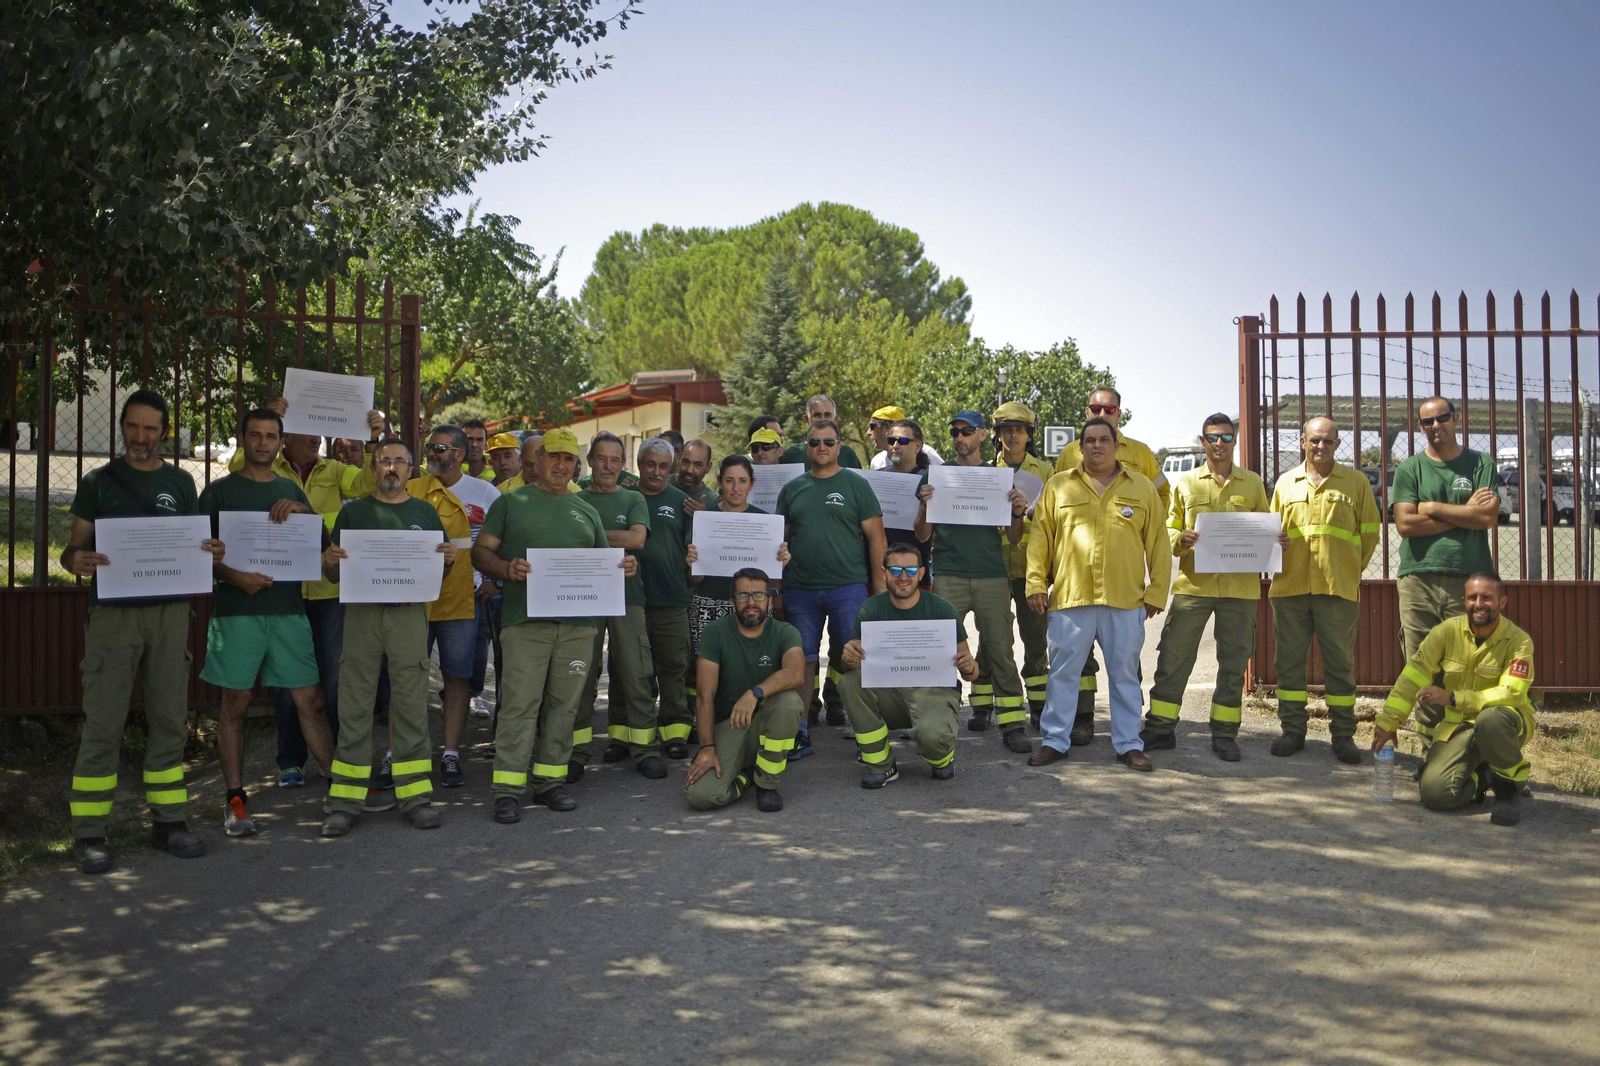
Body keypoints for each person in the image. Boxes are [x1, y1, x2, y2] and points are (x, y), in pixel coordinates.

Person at [62, 390, 226, 874]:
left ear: (164, 431)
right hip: (114, 615)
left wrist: (210, 552)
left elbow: (195, 544)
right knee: (104, 721)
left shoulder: (181, 482)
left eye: (150, 428)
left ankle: (169, 823)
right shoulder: (98, 482)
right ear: (123, 427)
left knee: (171, 718)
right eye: (133, 427)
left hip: (171, 613)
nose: (140, 437)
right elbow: (72, 552)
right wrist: (80, 563)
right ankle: (90, 834)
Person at [471, 428, 633, 822]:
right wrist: (506, 569)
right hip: (525, 622)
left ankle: (549, 782)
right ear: (538, 460)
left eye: (567, 459)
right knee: (519, 706)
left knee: (565, 707)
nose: (560, 466)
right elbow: (479, 553)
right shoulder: (511, 503)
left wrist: (625, 566)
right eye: (553, 457)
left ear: (576, 466)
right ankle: (508, 789)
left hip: (578, 626)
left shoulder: (586, 510)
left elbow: (602, 564)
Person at [199, 408, 335, 837]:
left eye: (270, 436)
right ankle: (236, 799)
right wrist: (234, 576)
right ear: (243, 438)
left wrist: (304, 512)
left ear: (280, 442)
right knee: (235, 706)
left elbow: (322, 546)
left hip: (289, 611)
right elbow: (197, 557)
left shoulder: (290, 488)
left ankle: (340, 789)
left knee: (310, 701)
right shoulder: (218, 493)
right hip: (238, 614)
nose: (262, 442)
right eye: (255, 435)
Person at [235, 397, 382, 788]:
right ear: (285, 439)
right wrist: (275, 418)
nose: (317, 439)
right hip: (282, 591)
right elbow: (237, 466)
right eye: (307, 431)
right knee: (288, 683)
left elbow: (367, 483)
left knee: (332, 681)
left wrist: (372, 441)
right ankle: (290, 762)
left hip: (327, 591)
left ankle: (335, 760)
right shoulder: (270, 467)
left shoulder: (334, 469)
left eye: (320, 432)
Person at [318, 438, 457, 836]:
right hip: (361, 616)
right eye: (384, 461)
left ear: (412, 469)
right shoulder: (354, 513)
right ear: (374, 468)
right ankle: (345, 801)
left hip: (409, 616)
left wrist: (446, 561)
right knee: (355, 704)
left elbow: (437, 575)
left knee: (412, 702)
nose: (392, 468)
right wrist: (329, 562)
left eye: (399, 461)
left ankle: (415, 798)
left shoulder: (425, 513)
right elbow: (334, 575)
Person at [1026, 418, 1169, 771]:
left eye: (1104, 440)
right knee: (1062, 673)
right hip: (1072, 597)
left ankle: (1128, 743)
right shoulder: (1058, 486)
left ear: (1117, 445)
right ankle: (1054, 740)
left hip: (1125, 599)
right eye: (1089, 440)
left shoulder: (1141, 488)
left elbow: (1159, 542)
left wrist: (1157, 591)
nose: (1097, 446)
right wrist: (1035, 583)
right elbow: (1041, 537)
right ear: (1080, 447)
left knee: (1124, 675)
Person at [1141, 413, 1285, 761]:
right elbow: (1168, 529)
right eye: (1212, 437)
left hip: (1240, 590)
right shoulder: (1186, 483)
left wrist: (1275, 540)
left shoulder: (1252, 483)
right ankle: (1160, 727)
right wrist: (1181, 538)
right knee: (1174, 658)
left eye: (1225, 437)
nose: (1219, 443)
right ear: (1202, 441)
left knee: (1234, 663)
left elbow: (1265, 527)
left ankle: (1224, 734)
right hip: (1194, 586)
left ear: (1234, 440)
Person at [913, 410, 1032, 754]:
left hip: (992, 575)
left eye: (966, 431)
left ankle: (1012, 724)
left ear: (982, 435)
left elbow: (1013, 536)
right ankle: (932, 720)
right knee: (940, 650)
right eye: (955, 432)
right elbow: (922, 535)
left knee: (1001, 650)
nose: (959, 438)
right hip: (948, 573)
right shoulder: (937, 477)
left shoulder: (997, 478)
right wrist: (923, 509)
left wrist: (1016, 513)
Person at [1372, 573, 1533, 825]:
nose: (1478, 603)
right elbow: (1413, 675)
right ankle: (1482, 776)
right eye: (1472, 597)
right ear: (1463, 601)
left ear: (1502, 602)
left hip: (1504, 723)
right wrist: (1388, 722)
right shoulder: (1447, 631)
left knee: (1490, 719)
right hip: (1460, 728)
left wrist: (1454, 698)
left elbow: (1510, 694)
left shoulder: (1518, 641)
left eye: (1487, 598)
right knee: (1436, 795)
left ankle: (1508, 790)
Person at [1269, 415, 1381, 763]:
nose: (1320, 446)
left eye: (1328, 441)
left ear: (1337, 444)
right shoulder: (1285, 483)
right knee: (1289, 664)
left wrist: (1347, 569)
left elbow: (1369, 533)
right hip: (1290, 588)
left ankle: (1343, 735)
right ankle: (1292, 731)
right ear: (1303, 441)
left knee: (1339, 664)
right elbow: (1271, 535)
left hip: (1337, 588)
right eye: (1314, 440)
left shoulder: (1356, 482)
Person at [775, 418, 888, 758]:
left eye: (827, 442)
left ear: (839, 447)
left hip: (848, 588)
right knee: (802, 662)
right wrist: (778, 590)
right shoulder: (792, 489)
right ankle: (800, 731)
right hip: (800, 590)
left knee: (857, 659)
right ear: (806, 447)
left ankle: (866, 730)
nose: (821, 447)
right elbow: (778, 543)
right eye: (814, 442)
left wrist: (880, 589)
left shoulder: (856, 485)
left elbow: (877, 539)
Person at [1392, 395, 1499, 747]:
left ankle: (1468, 749)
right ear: (1420, 427)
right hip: (1417, 578)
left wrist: (1433, 507)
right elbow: (1405, 524)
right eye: (1427, 422)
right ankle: (1430, 752)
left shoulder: (1480, 463)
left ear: (1456, 418)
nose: (1435, 426)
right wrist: (1461, 513)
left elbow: (1485, 517)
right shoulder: (1410, 469)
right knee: (1422, 663)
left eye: (1442, 418)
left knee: (1467, 664)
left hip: (1468, 578)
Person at [837, 545, 980, 786]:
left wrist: (969, 666)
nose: (903, 577)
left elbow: (971, 674)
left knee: (934, 741)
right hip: (889, 693)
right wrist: (848, 657)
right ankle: (881, 765)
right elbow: (849, 666)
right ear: (884, 573)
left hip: (933, 693)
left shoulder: (942, 609)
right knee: (849, 682)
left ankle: (941, 758)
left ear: (921, 573)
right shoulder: (871, 609)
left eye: (911, 570)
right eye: (896, 569)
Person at [406, 424, 500, 789]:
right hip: (414, 598)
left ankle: (450, 755)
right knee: (407, 678)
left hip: (462, 599)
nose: (432, 453)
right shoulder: (413, 489)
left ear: (460, 454)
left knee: (457, 679)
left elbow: (497, 542)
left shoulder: (485, 492)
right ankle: (401, 755)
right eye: (429, 447)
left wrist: (493, 580)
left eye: (440, 448)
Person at [574, 431, 664, 778]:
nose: (608, 466)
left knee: (636, 672)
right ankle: (576, 751)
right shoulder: (577, 499)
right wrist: (613, 538)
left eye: (615, 460)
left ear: (622, 465)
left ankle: (644, 749)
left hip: (629, 597)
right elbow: (571, 543)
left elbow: (636, 538)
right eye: (601, 458)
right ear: (590, 461)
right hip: (584, 598)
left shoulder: (633, 499)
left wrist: (591, 536)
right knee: (582, 674)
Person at [684, 568, 807, 813]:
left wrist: (755, 693)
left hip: (767, 721)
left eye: (759, 596)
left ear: (770, 600)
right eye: (743, 596)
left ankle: (767, 784)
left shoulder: (785, 632)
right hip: (729, 725)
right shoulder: (715, 633)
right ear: (732, 602)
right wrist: (707, 749)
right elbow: (704, 696)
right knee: (702, 796)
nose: (751, 602)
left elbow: (795, 673)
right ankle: (747, 777)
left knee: (789, 701)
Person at [991, 401, 1055, 730]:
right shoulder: (985, 471)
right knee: (995, 641)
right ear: (997, 435)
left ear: (1029, 435)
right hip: (995, 570)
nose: (1013, 436)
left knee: (1035, 641)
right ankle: (981, 705)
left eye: (1019, 430)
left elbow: (1061, 519)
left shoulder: (1046, 471)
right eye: (1006, 430)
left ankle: (1040, 705)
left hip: (1034, 571)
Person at [685, 455, 792, 650]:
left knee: (750, 668)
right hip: (709, 604)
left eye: (742, 481)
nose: (736, 488)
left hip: (752, 607)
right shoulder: (704, 520)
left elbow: (770, 576)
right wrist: (693, 564)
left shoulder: (766, 522)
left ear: (751, 484)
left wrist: (780, 562)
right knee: (708, 670)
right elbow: (696, 579)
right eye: (729, 481)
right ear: (719, 483)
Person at [636, 437, 696, 758]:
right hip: (632, 602)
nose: (656, 472)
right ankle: (636, 736)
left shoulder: (681, 501)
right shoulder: (626, 498)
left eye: (663, 466)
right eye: (650, 465)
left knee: (674, 668)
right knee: (635, 672)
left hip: (673, 600)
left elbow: (694, 550)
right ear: (639, 464)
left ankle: (675, 733)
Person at [879, 419, 934, 585]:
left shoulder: (930, 480)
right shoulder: (875, 478)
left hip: (915, 571)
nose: (895, 445)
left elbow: (928, 535)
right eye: (891, 440)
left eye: (902, 441)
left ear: (917, 446)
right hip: (879, 570)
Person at [780, 395, 864, 469]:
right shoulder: (790, 455)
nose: (823, 419)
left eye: (827, 415)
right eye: (817, 415)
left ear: (835, 420)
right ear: (806, 419)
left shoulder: (847, 454)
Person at [868, 405, 943, 469]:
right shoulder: (877, 462)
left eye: (872, 426)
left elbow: (944, 480)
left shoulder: (927, 452)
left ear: (887, 427)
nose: (868, 432)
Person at [676, 439, 719, 513]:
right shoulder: (662, 485)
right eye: (685, 462)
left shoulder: (713, 501)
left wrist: (703, 517)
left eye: (697, 465)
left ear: (708, 467)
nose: (689, 470)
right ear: (679, 458)